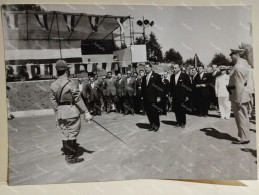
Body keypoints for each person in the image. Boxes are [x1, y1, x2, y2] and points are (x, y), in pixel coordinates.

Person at [50, 60, 92, 164]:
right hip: (71, 112)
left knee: (65, 134)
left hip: (60, 112)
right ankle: (71, 157)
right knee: (73, 134)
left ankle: (68, 156)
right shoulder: (70, 83)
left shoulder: (53, 84)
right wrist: (86, 112)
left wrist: (57, 114)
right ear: (66, 71)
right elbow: (77, 99)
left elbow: (53, 101)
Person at [227, 49, 251, 144]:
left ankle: (243, 138)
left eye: (232, 55)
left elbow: (239, 84)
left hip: (238, 94)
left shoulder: (238, 67)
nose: (231, 57)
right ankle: (245, 136)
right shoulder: (243, 64)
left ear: (236, 55)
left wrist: (238, 99)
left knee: (240, 117)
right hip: (240, 94)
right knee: (243, 117)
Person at [141, 62, 162, 132]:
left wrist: (159, 96)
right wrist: (142, 96)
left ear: (150, 67)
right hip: (146, 98)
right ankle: (152, 125)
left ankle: (156, 125)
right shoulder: (144, 77)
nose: (145, 69)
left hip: (154, 98)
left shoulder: (156, 76)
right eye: (145, 68)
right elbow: (143, 88)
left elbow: (159, 87)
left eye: (147, 67)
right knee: (149, 112)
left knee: (154, 112)